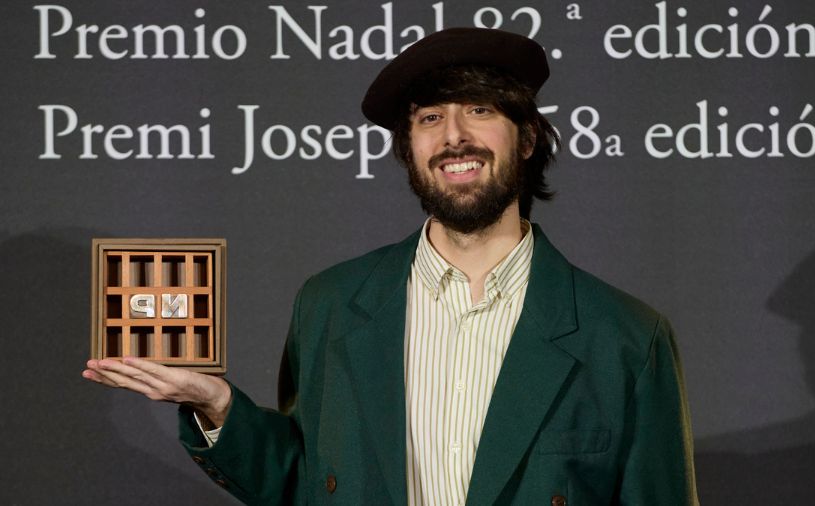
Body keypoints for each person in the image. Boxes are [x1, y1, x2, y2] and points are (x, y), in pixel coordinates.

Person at [83, 28, 698, 506]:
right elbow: (308, 482)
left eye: (479, 110)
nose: (455, 136)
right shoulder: (330, 303)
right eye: (430, 119)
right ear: (410, 150)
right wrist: (218, 406)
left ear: (528, 138)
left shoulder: (624, 336)